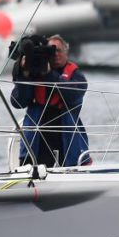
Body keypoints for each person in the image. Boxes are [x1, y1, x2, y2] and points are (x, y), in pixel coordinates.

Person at [10, 34, 89, 167]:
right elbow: (17, 102)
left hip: (66, 141)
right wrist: (25, 75)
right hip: (35, 141)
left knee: (69, 168)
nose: (55, 54)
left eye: (59, 50)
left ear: (66, 52)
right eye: (52, 50)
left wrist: (49, 75)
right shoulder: (34, 74)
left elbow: (73, 97)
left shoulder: (76, 75)